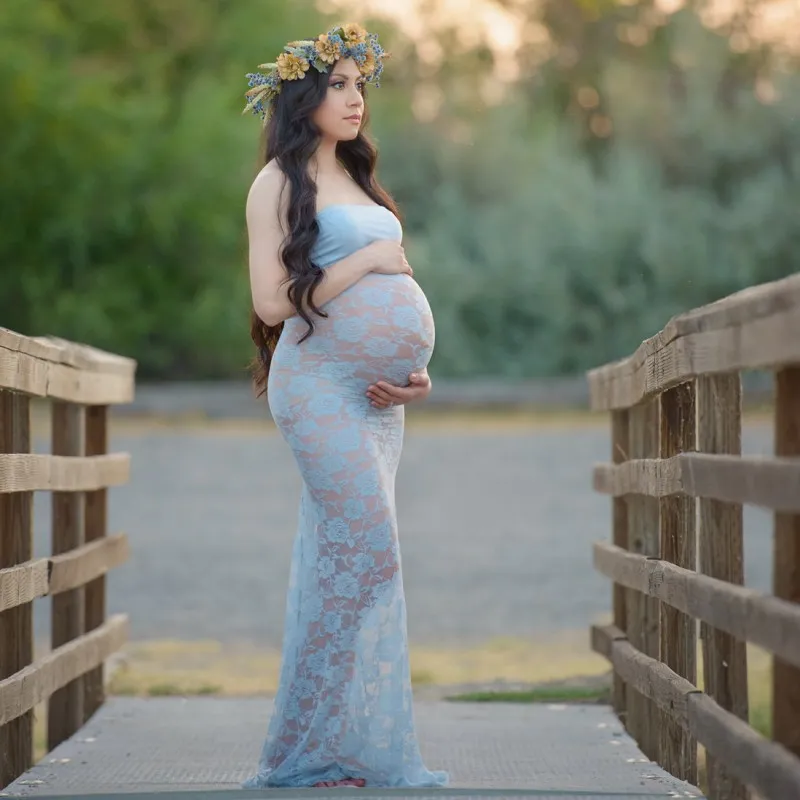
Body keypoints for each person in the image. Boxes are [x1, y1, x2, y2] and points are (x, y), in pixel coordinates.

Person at [241, 23, 449, 790]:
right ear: (304, 95)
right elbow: (270, 305)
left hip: (376, 403)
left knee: (347, 563)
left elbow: (393, 295)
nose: (356, 98)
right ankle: (305, 750)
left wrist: (416, 373)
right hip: (317, 389)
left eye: (361, 85)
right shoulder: (276, 184)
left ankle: (336, 749)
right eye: (340, 84)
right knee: (369, 551)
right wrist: (366, 258)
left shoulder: (359, 178)